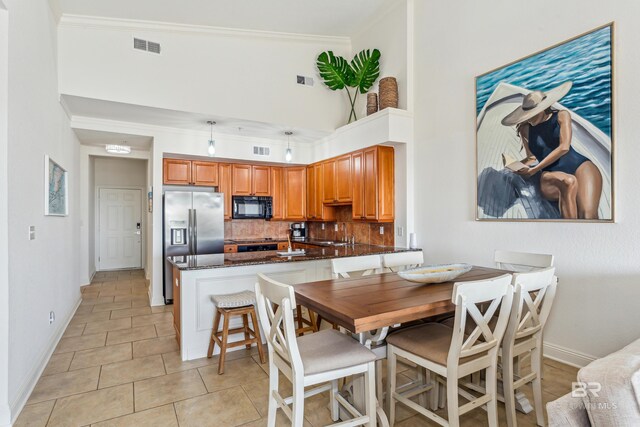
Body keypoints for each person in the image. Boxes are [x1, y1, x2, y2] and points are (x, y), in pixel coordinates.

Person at [501, 81, 602, 219]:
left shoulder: (562, 115)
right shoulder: (525, 129)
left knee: (589, 216)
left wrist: (534, 170)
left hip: (580, 165)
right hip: (550, 173)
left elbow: (564, 147)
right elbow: (531, 157)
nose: (528, 118)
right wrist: (516, 166)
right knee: (568, 182)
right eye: (527, 115)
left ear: (542, 109)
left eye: (532, 114)